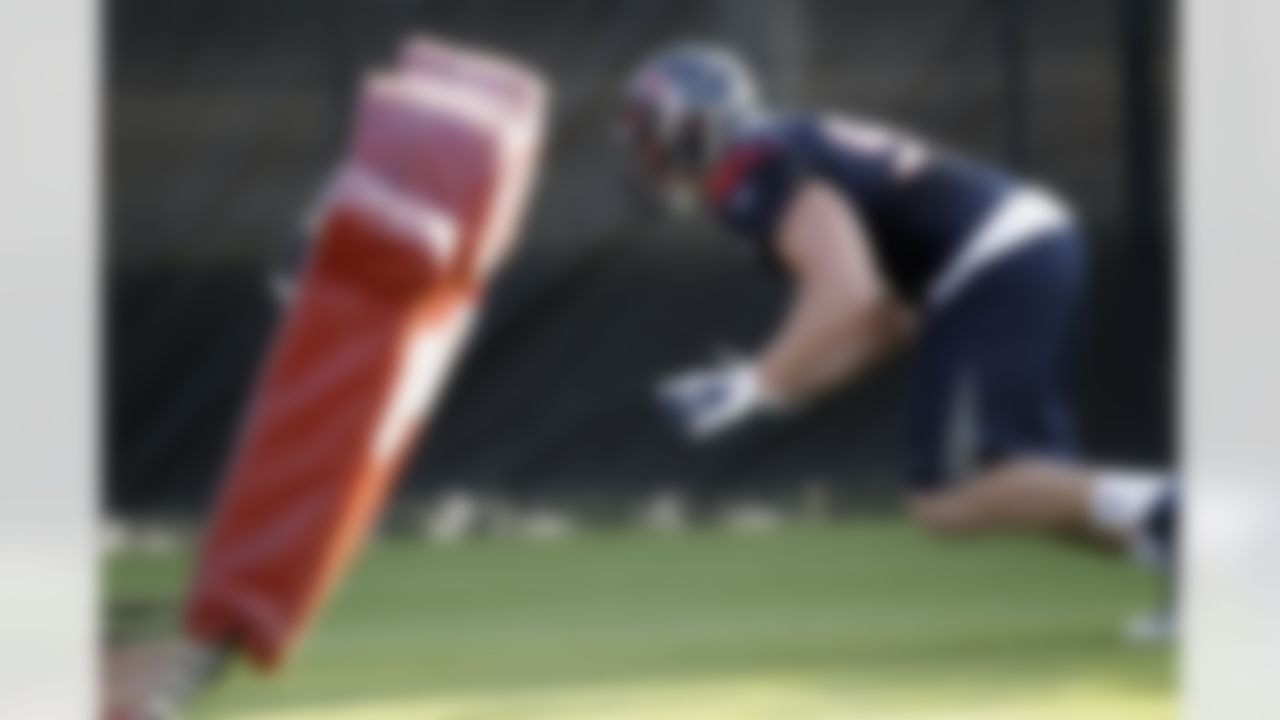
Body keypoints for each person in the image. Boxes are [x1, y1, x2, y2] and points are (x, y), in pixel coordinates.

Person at [624, 43, 1176, 638]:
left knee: (955, 496)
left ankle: (1201, 514)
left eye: (648, 134)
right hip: (1007, 254)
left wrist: (760, 379)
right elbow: (883, 321)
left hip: (997, 257)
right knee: (1018, 488)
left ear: (691, 129)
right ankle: (1217, 562)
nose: (644, 153)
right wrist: (771, 390)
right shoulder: (769, 153)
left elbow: (847, 292)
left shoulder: (749, 168)